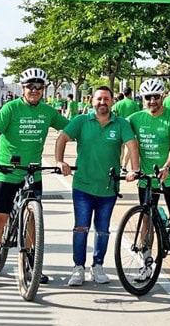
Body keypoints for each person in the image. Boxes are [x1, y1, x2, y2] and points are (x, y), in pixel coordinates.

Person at [0, 67, 70, 290]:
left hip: (33, 172)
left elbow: (70, 130)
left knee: (33, 220)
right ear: (23, 88)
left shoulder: (48, 112)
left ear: (44, 89)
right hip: (7, 172)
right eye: (30, 87)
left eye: (39, 87)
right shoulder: (11, 108)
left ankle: (31, 265)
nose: (35, 90)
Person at [55, 86, 138, 286]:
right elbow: (62, 138)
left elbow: (132, 145)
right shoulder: (81, 121)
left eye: (106, 99)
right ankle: (78, 268)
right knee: (81, 228)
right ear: (92, 101)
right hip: (83, 186)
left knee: (102, 229)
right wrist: (60, 161)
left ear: (112, 102)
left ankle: (98, 265)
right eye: (99, 99)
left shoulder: (121, 124)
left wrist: (134, 169)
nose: (103, 103)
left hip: (108, 188)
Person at [125, 78, 170, 286]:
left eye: (156, 96)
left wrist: (167, 166)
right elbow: (124, 140)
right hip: (147, 179)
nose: (152, 101)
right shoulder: (135, 119)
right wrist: (129, 169)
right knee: (146, 221)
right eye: (148, 97)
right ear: (142, 99)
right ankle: (146, 265)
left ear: (162, 97)